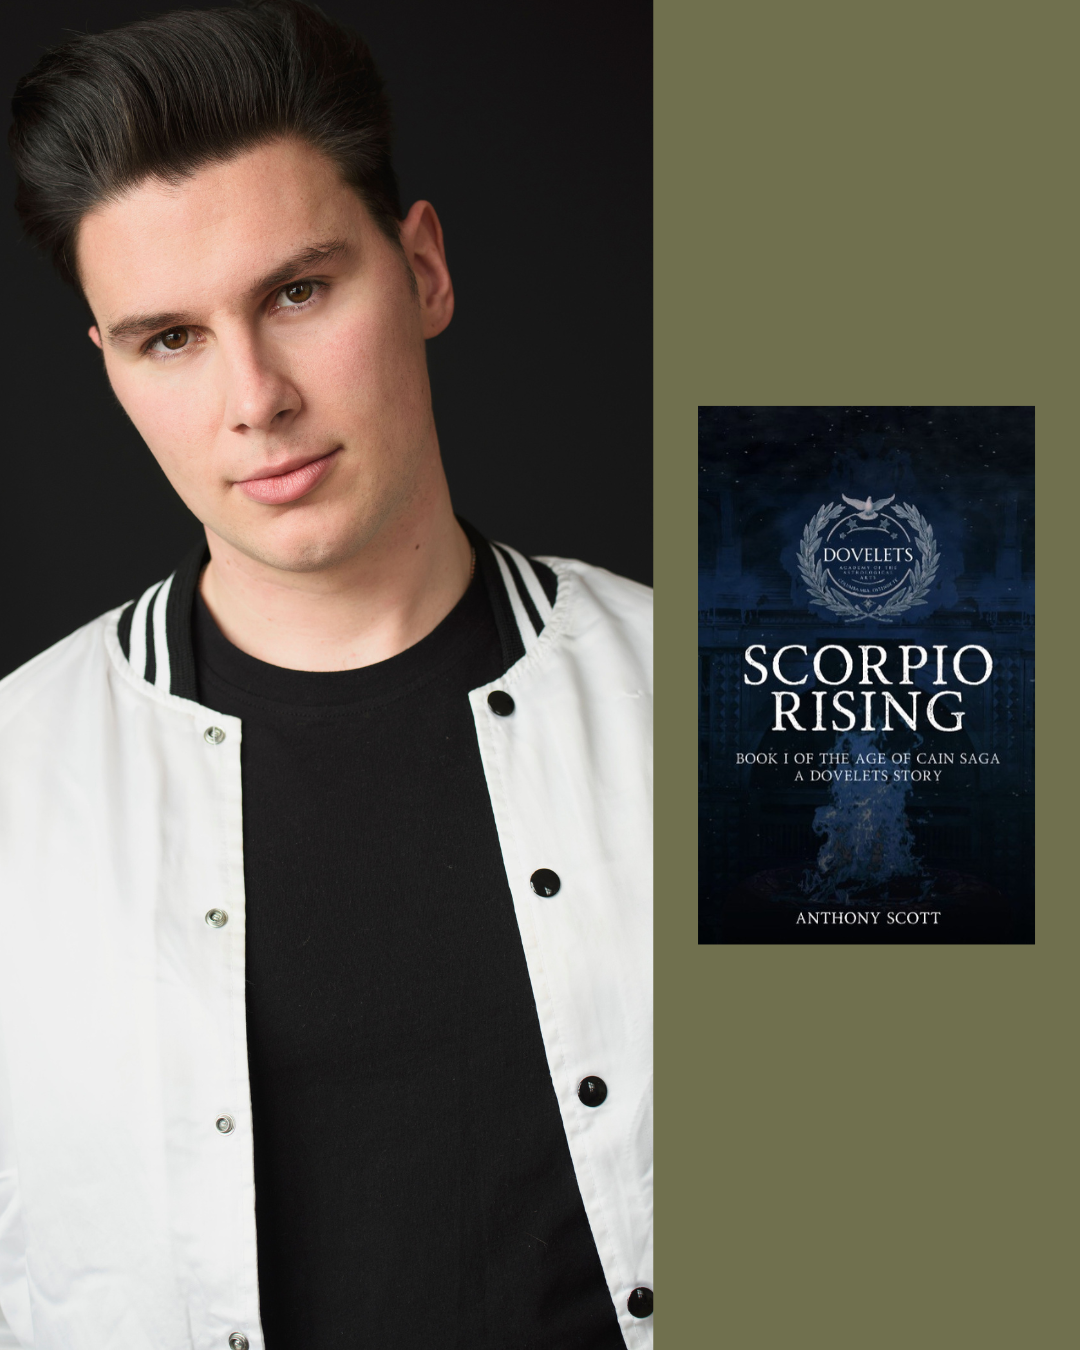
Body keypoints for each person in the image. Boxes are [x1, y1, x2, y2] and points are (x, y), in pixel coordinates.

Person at [0, 3, 652, 1348]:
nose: (255, 397)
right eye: (167, 338)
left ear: (422, 271)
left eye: (297, 292)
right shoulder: (19, 779)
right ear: (112, 370)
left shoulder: (723, 706)